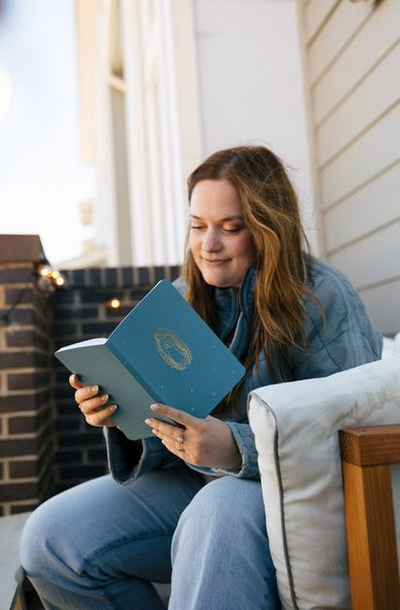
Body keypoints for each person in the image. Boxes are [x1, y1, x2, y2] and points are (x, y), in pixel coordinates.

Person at [20, 145, 382, 610]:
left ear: (269, 228)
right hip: (195, 479)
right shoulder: (180, 298)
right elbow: (171, 421)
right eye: (198, 226)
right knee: (50, 542)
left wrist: (236, 447)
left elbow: (355, 431)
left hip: (280, 492)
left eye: (230, 228)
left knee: (217, 509)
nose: (208, 245)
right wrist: (121, 417)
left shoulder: (322, 296)